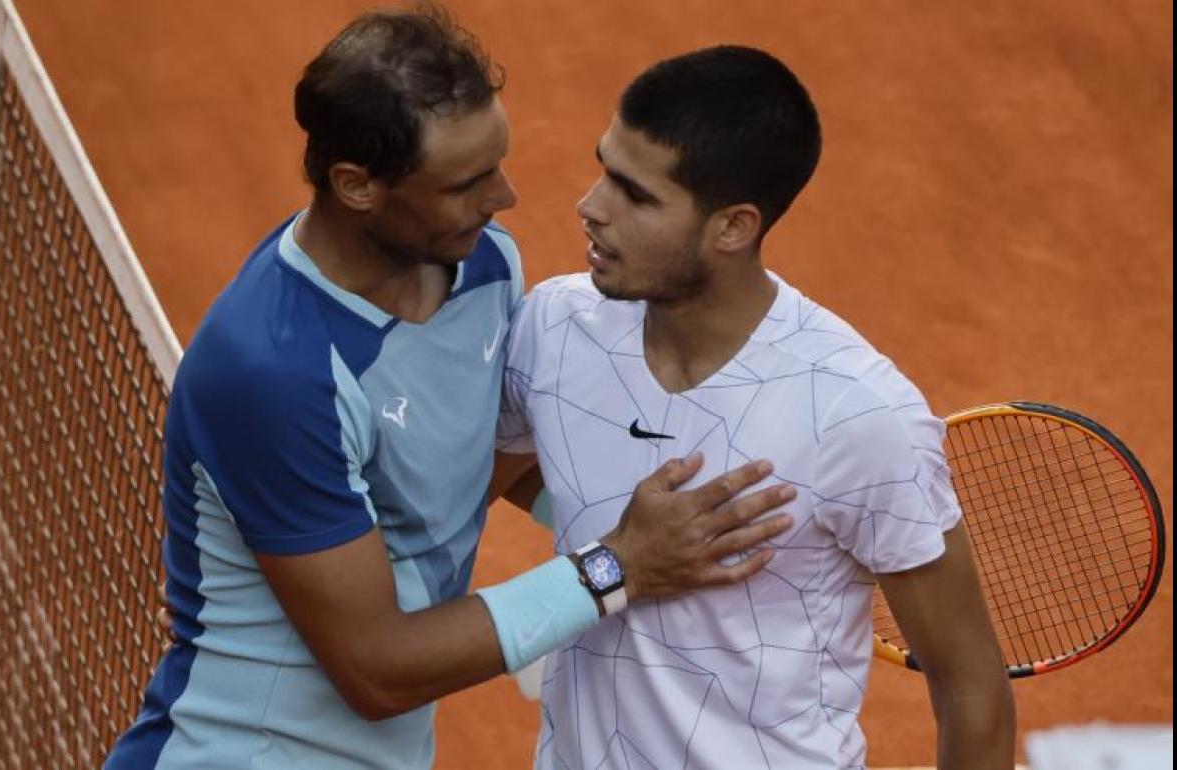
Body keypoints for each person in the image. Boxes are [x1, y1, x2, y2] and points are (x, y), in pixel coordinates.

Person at [104, 9, 796, 770]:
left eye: (496, 164)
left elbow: (467, 465)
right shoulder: (271, 372)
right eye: (466, 183)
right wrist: (616, 566)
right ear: (357, 185)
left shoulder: (484, 265)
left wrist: (697, 532)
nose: (504, 199)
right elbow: (377, 669)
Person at [497, 46, 1016, 769]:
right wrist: (635, 547)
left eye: (635, 194)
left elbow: (970, 685)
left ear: (734, 227)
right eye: (604, 167)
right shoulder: (555, 328)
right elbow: (484, 484)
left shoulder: (855, 414)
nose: (592, 207)